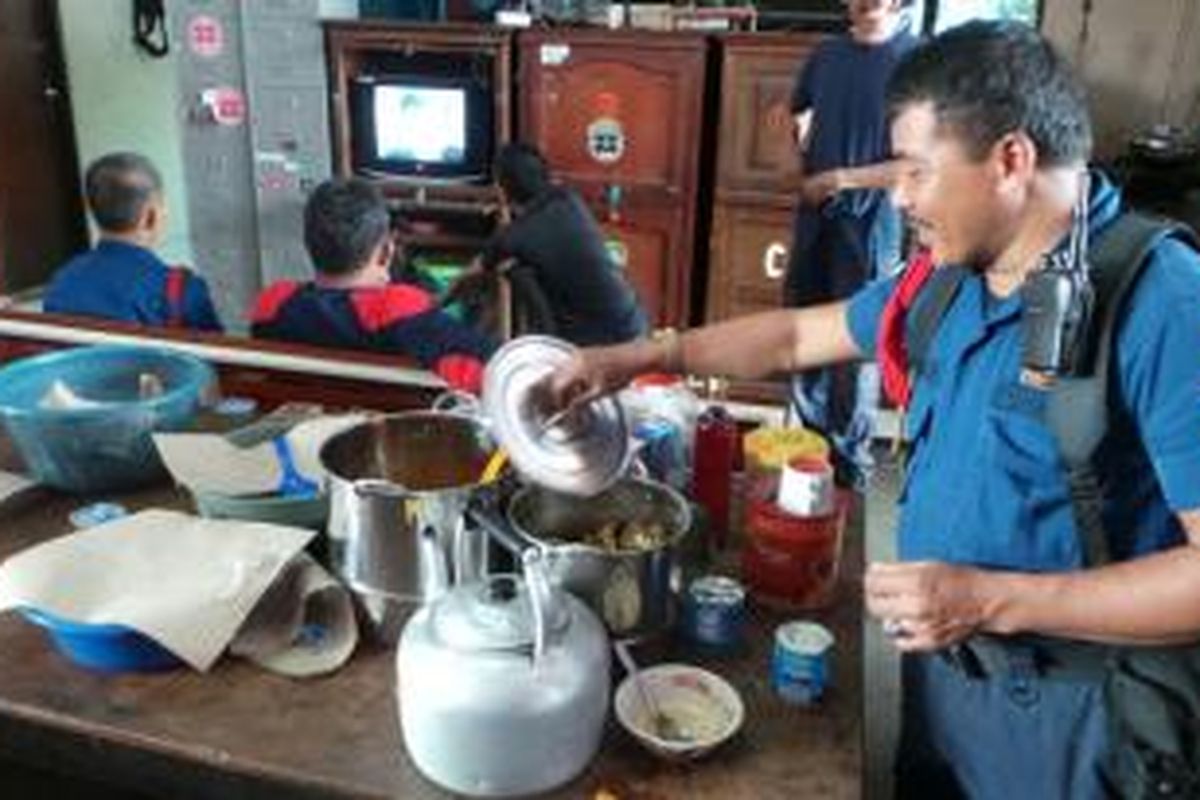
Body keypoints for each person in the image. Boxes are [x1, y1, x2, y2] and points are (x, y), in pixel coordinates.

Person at [542, 22, 1200, 799]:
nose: (899, 195)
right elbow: (795, 335)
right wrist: (640, 358)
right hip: (943, 686)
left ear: (1012, 160)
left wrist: (992, 598)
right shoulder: (950, 279)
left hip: (1072, 723)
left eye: (918, 171)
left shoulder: (1164, 304)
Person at [783, 0, 917, 487]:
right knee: (805, 327)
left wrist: (841, 177)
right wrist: (802, 157)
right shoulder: (826, 54)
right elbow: (797, 113)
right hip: (815, 215)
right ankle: (810, 449)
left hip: (873, 221)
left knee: (860, 339)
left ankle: (850, 466)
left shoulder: (916, 60)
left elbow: (915, 164)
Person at [250, 178, 495, 394]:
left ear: (308, 245)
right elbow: (492, 366)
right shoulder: (397, 308)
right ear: (386, 251)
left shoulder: (271, 304)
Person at [449, 142, 649, 346]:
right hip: (633, 323)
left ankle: (548, 346)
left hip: (601, 347)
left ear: (502, 188)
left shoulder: (513, 238)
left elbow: (467, 277)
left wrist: (437, 304)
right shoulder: (569, 199)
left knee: (510, 268)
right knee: (522, 268)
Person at [44, 152, 223, 331]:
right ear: (150, 217)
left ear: (93, 212)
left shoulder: (62, 283)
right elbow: (218, 355)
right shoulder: (184, 292)